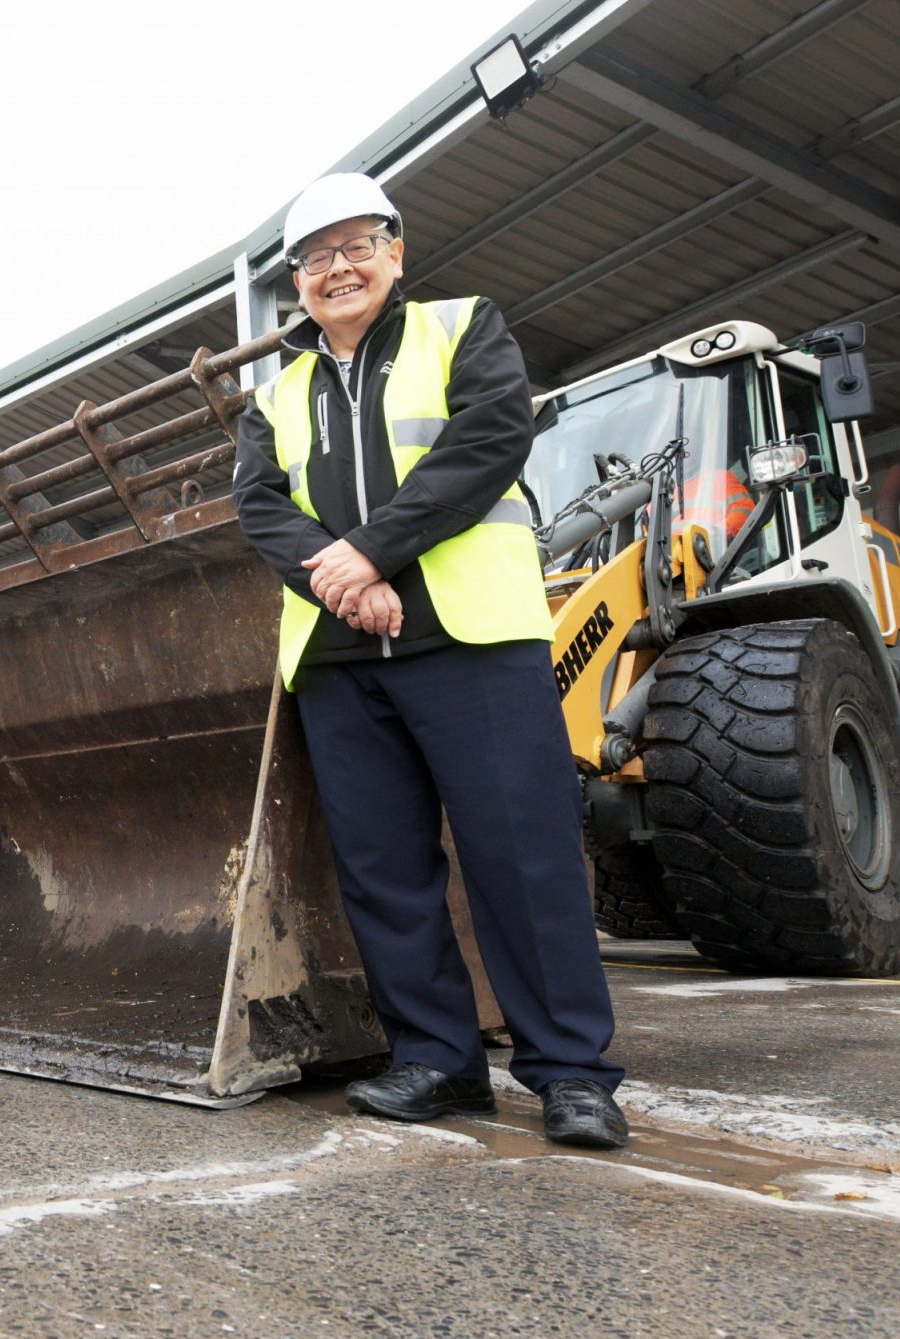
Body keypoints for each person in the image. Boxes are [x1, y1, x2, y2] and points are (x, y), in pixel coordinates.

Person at [233, 174, 628, 1148]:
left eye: (356, 245)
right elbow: (260, 506)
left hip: (471, 638)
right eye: (316, 256)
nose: (338, 267)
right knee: (384, 872)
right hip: (340, 657)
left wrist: (372, 552)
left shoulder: (462, 329)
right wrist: (343, 582)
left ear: (395, 252)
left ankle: (570, 1072)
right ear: (296, 281)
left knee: (523, 857)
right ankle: (438, 1061)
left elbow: (489, 439)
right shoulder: (272, 396)